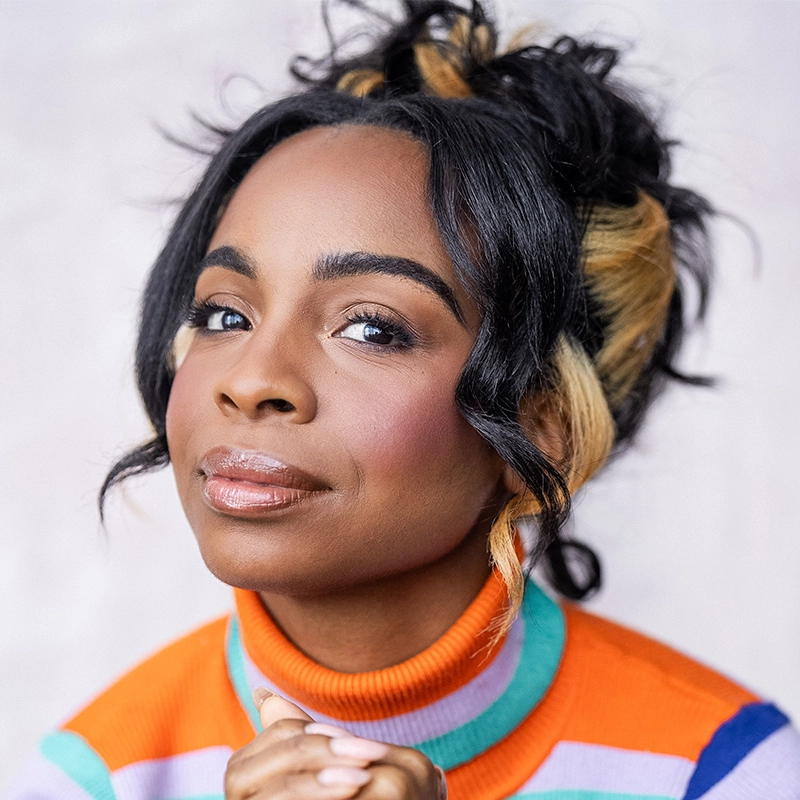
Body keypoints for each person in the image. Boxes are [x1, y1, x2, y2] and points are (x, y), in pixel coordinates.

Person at [5, 1, 800, 798]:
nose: (249, 380)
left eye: (372, 328)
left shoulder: (722, 768)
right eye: (224, 315)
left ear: (541, 428)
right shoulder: (97, 773)